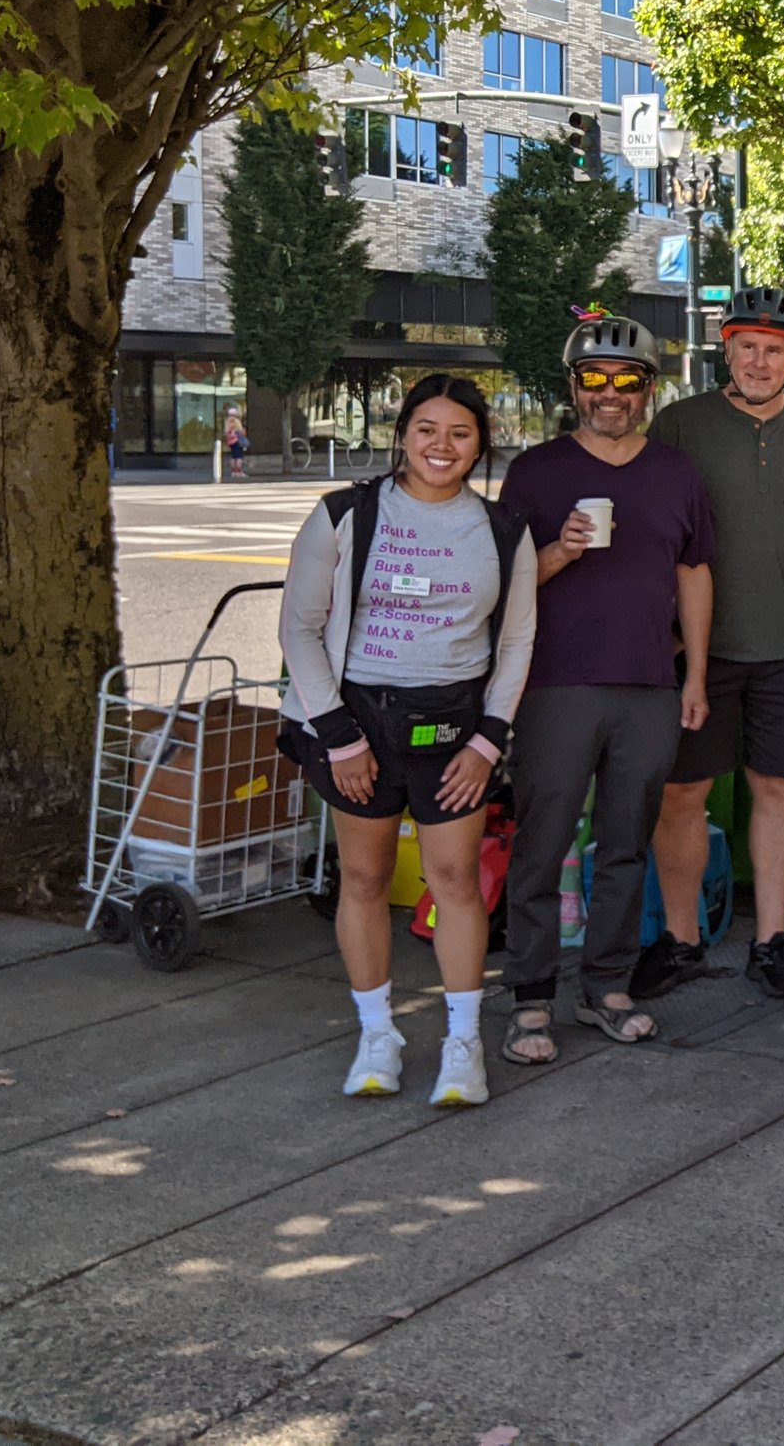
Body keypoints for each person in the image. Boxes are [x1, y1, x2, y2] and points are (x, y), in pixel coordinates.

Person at [280, 375, 536, 1107]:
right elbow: (300, 627)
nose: (441, 446)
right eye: (426, 428)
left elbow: (517, 641)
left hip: (455, 727)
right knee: (362, 880)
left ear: (481, 442)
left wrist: (488, 739)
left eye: (460, 433)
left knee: (455, 881)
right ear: (403, 433)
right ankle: (376, 1033)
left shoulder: (503, 532)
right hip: (355, 723)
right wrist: (337, 735)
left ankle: (463, 1042)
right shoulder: (343, 515)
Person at [495, 310, 714, 1062]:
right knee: (543, 842)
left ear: (650, 389)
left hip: (650, 685)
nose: (610, 393)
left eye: (627, 380)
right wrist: (559, 550)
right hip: (555, 685)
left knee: (623, 844)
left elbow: (694, 570)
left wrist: (698, 676)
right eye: (595, 378)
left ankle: (605, 986)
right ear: (574, 386)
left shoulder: (675, 473)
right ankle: (529, 995)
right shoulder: (535, 472)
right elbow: (503, 583)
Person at [646, 286, 784, 1001]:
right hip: (695, 649)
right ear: (726, 349)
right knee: (682, 793)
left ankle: (771, 940)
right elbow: (650, 534)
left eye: (776, 349)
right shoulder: (680, 425)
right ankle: (679, 940)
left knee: (776, 787)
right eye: (748, 347)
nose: (761, 361)